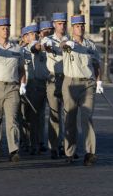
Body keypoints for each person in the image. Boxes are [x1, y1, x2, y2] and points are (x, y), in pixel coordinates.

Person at [61, 15, 102, 165]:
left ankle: (90, 153)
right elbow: (62, 46)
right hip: (71, 83)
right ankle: (69, 152)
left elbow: (97, 64)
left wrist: (99, 82)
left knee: (87, 117)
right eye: (78, 25)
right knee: (70, 119)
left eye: (82, 25)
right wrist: (67, 45)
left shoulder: (90, 45)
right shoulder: (67, 43)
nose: (81, 28)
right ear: (73, 28)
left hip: (88, 84)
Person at [0, 17, 26, 163]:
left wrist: (22, 85)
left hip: (12, 88)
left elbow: (21, 69)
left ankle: (13, 150)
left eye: (7, 28)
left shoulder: (17, 49)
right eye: (3, 28)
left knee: (12, 120)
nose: (6, 30)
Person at [40, 13, 68, 159]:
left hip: (68, 79)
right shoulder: (48, 39)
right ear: (54, 25)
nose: (62, 26)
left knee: (69, 114)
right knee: (54, 114)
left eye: (64, 23)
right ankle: (54, 146)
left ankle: (67, 146)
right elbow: (43, 46)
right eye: (59, 23)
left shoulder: (71, 40)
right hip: (53, 78)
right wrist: (47, 46)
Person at [20, 24, 49, 154]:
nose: (35, 35)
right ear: (25, 37)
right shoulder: (21, 51)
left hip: (41, 84)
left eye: (36, 33)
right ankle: (26, 141)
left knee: (38, 115)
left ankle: (37, 142)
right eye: (32, 34)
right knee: (25, 115)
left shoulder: (42, 49)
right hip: (27, 85)